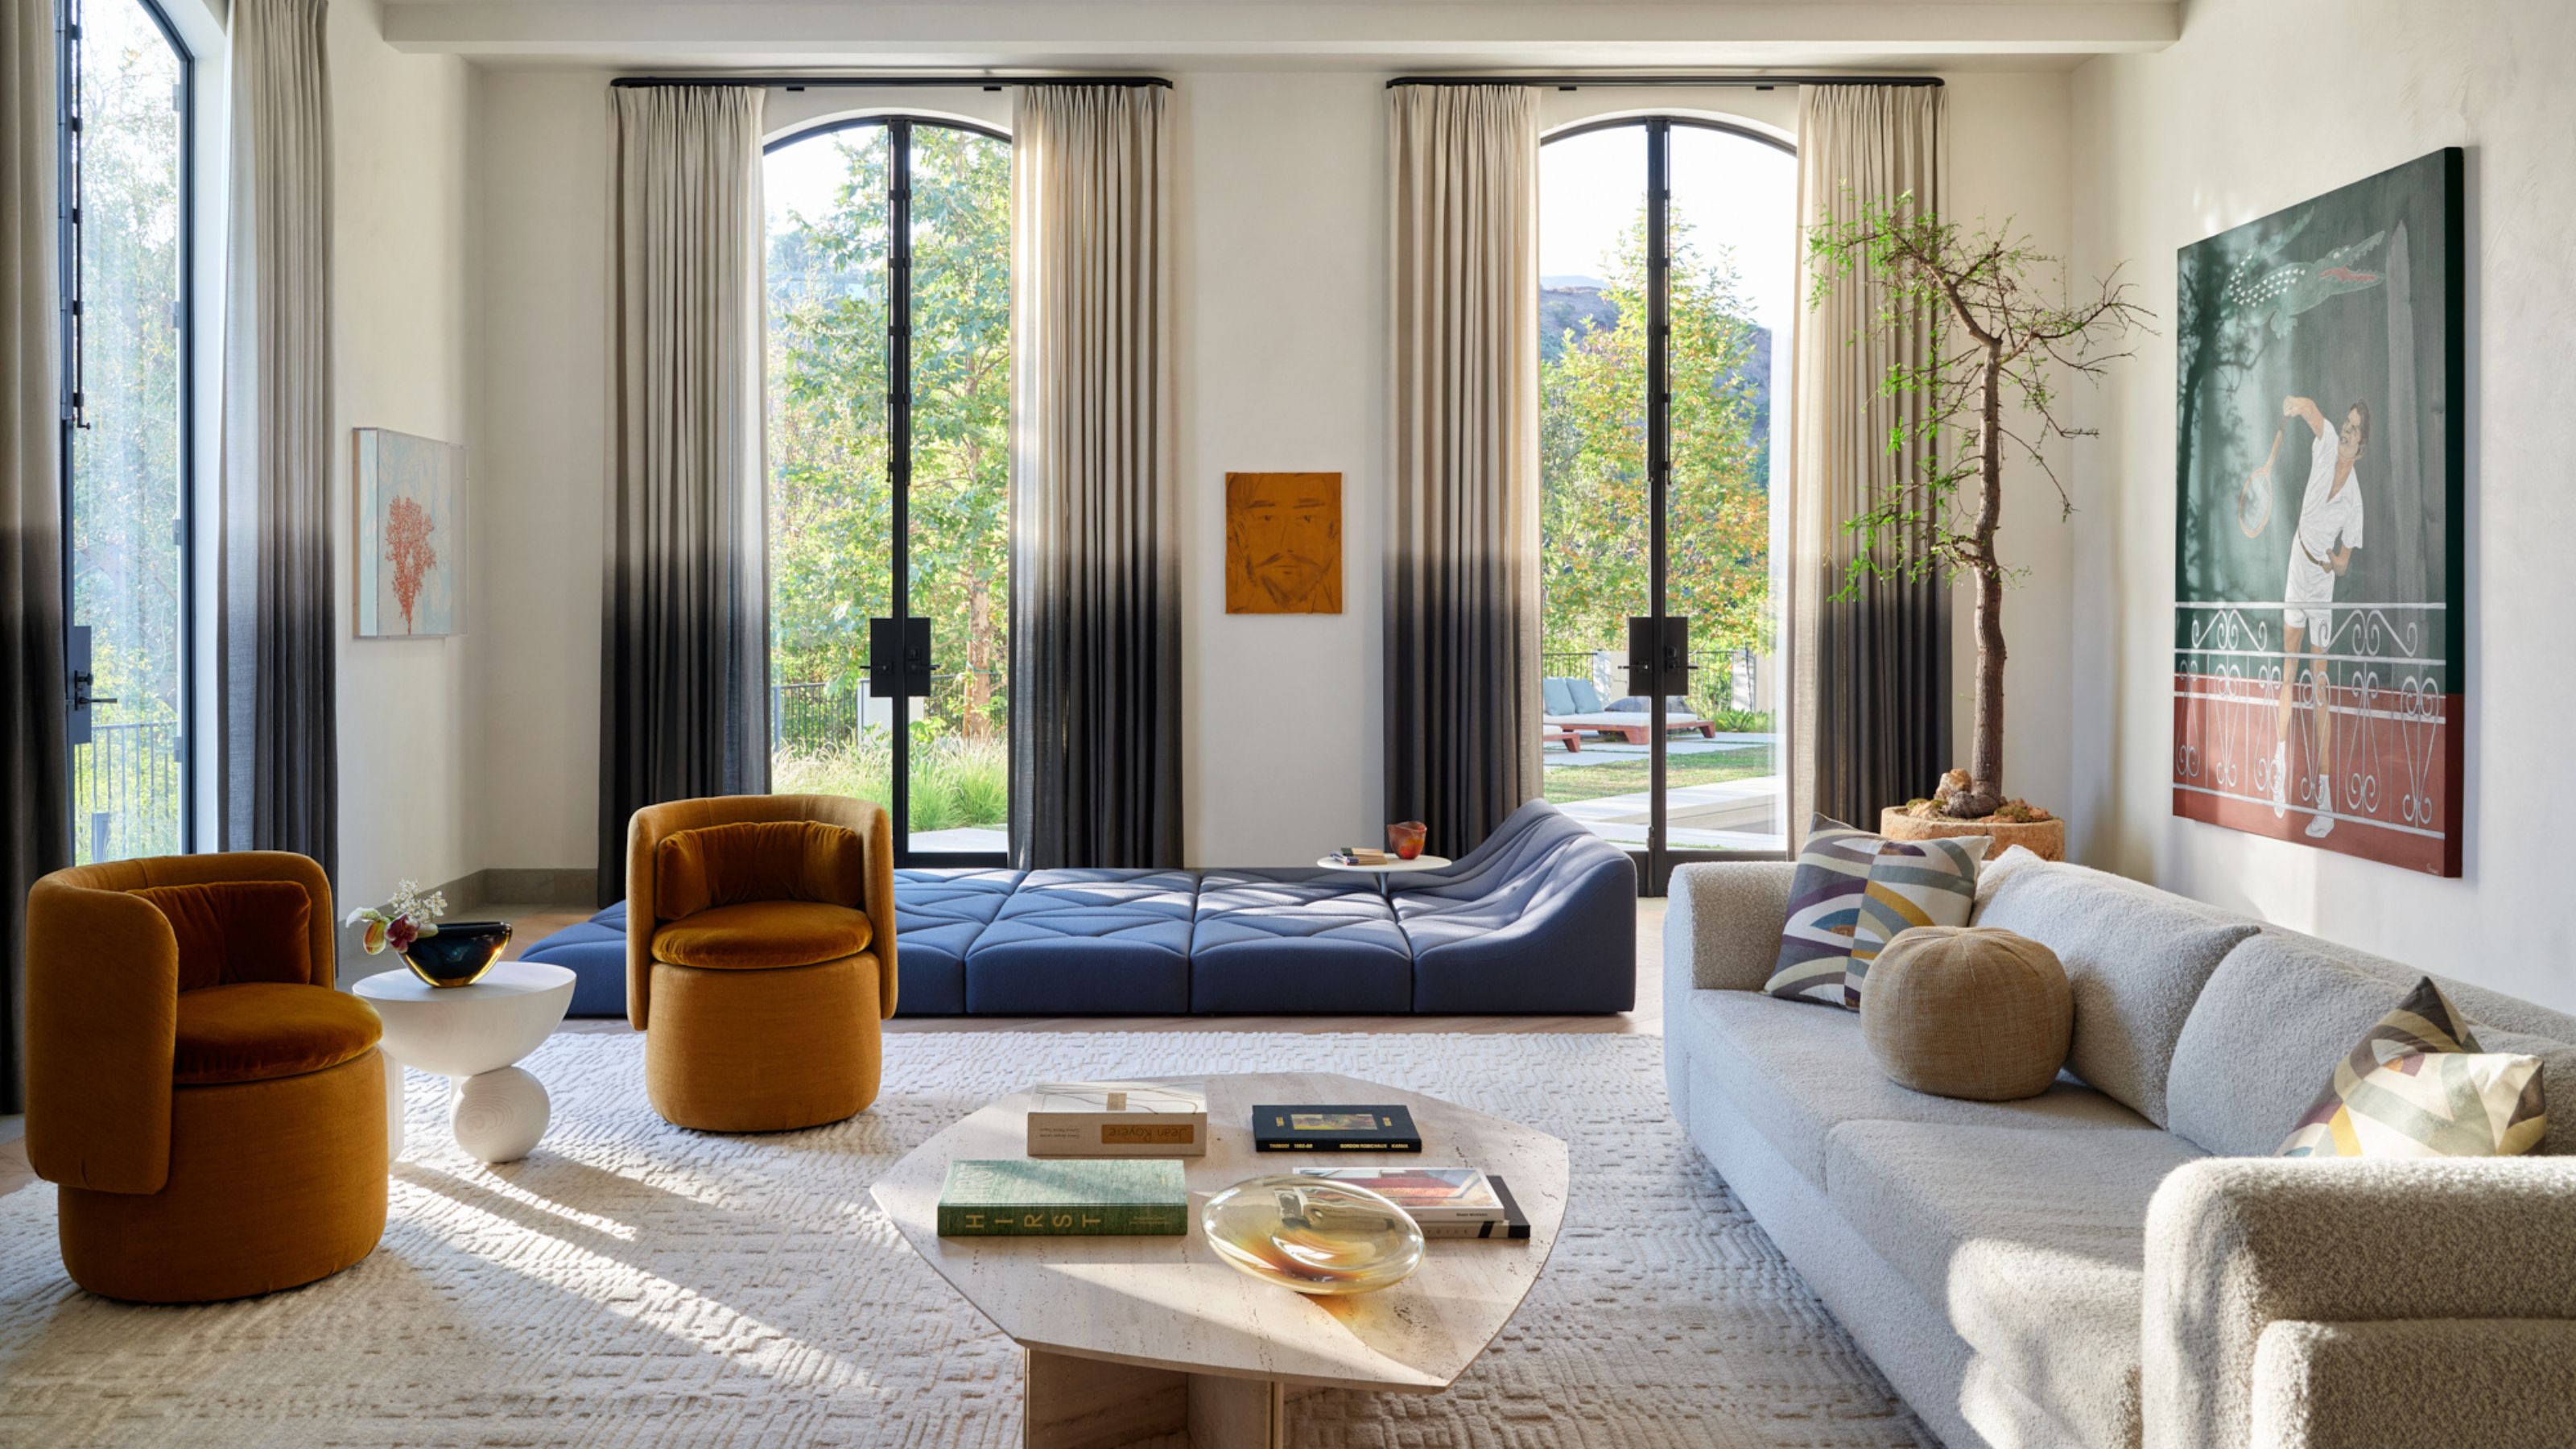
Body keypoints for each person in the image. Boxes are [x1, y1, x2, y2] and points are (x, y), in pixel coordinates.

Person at [2248, 394, 2368, 839]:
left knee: (2320, 685)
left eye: (2355, 432)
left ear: (2363, 447)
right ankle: (2280, 771)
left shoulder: (2355, 502)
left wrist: (2331, 564)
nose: (2348, 434)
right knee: (2288, 670)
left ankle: (2324, 798)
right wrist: (2297, 403)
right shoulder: (2328, 440)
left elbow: (2344, 563)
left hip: (2322, 586)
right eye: (2348, 426)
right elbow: (2318, 413)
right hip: (2296, 572)